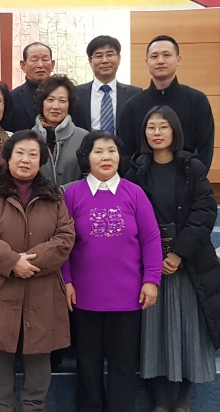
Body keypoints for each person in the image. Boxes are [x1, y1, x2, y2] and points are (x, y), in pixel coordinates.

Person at [126, 106, 220, 412]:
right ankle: (160, 400)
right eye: (151, 127)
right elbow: (129, 215)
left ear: (174, 131)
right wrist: (153, 257)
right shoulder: (136, 170)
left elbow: (204, 212)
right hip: (148, 265)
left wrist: (177, 253)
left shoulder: (192, 167)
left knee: (188, 330)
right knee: (152, 333)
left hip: (188, 262)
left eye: (163, 127)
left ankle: (183, 398)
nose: (157, 133)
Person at [0, 130, 75, 412]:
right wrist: (12, 262)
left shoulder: (54, 195)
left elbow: (65, 237)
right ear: (8, 157)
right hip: (1, 287)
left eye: (33, 154)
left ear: (41, 160)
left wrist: (30, 262)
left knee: (39, 356)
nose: (25, 159)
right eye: (20, 153)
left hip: (42, 289)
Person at [63, 131, 162, 412]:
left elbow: (151, 238)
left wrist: (151, 279)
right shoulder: (72, 194)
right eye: (98, 151)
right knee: (87, 365)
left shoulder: (134, 193)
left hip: (128, 296)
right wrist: (66, 280)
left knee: (123, 365)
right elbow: (62, 243)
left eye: (112, 151)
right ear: (86, 157)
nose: (106, 157)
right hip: (84, 296)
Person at [118, 35, 215, 173]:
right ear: (146, 62)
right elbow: (125, 152)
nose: (160, 61)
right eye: (154, 56)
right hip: (142, 182)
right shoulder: (133, 105)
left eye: (166, 55)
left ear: (178, 59)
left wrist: (194, 178)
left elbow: (205, 148)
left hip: (188, 180)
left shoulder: (196, 100)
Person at [74, 36, 142, 135]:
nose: (105, 60)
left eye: (110, 55)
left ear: (119, 58)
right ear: (90, 61)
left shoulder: (134, 94)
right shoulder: (76, 93)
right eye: (98, 56)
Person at [32, 75, 89, 187]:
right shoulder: (28, 138)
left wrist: (65, 191)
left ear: (69, 105)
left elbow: (92, 176)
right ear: (42, 103)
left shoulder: (84, 138)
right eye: (50, 100)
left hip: (75, 198)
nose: (56, 106)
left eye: (62, 101)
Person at [4, 42, 52, 132]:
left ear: (52, 64)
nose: (40, 65)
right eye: (34, 60)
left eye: (45, 59)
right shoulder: (11, 98)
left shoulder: (65, 96)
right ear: (23, 65)